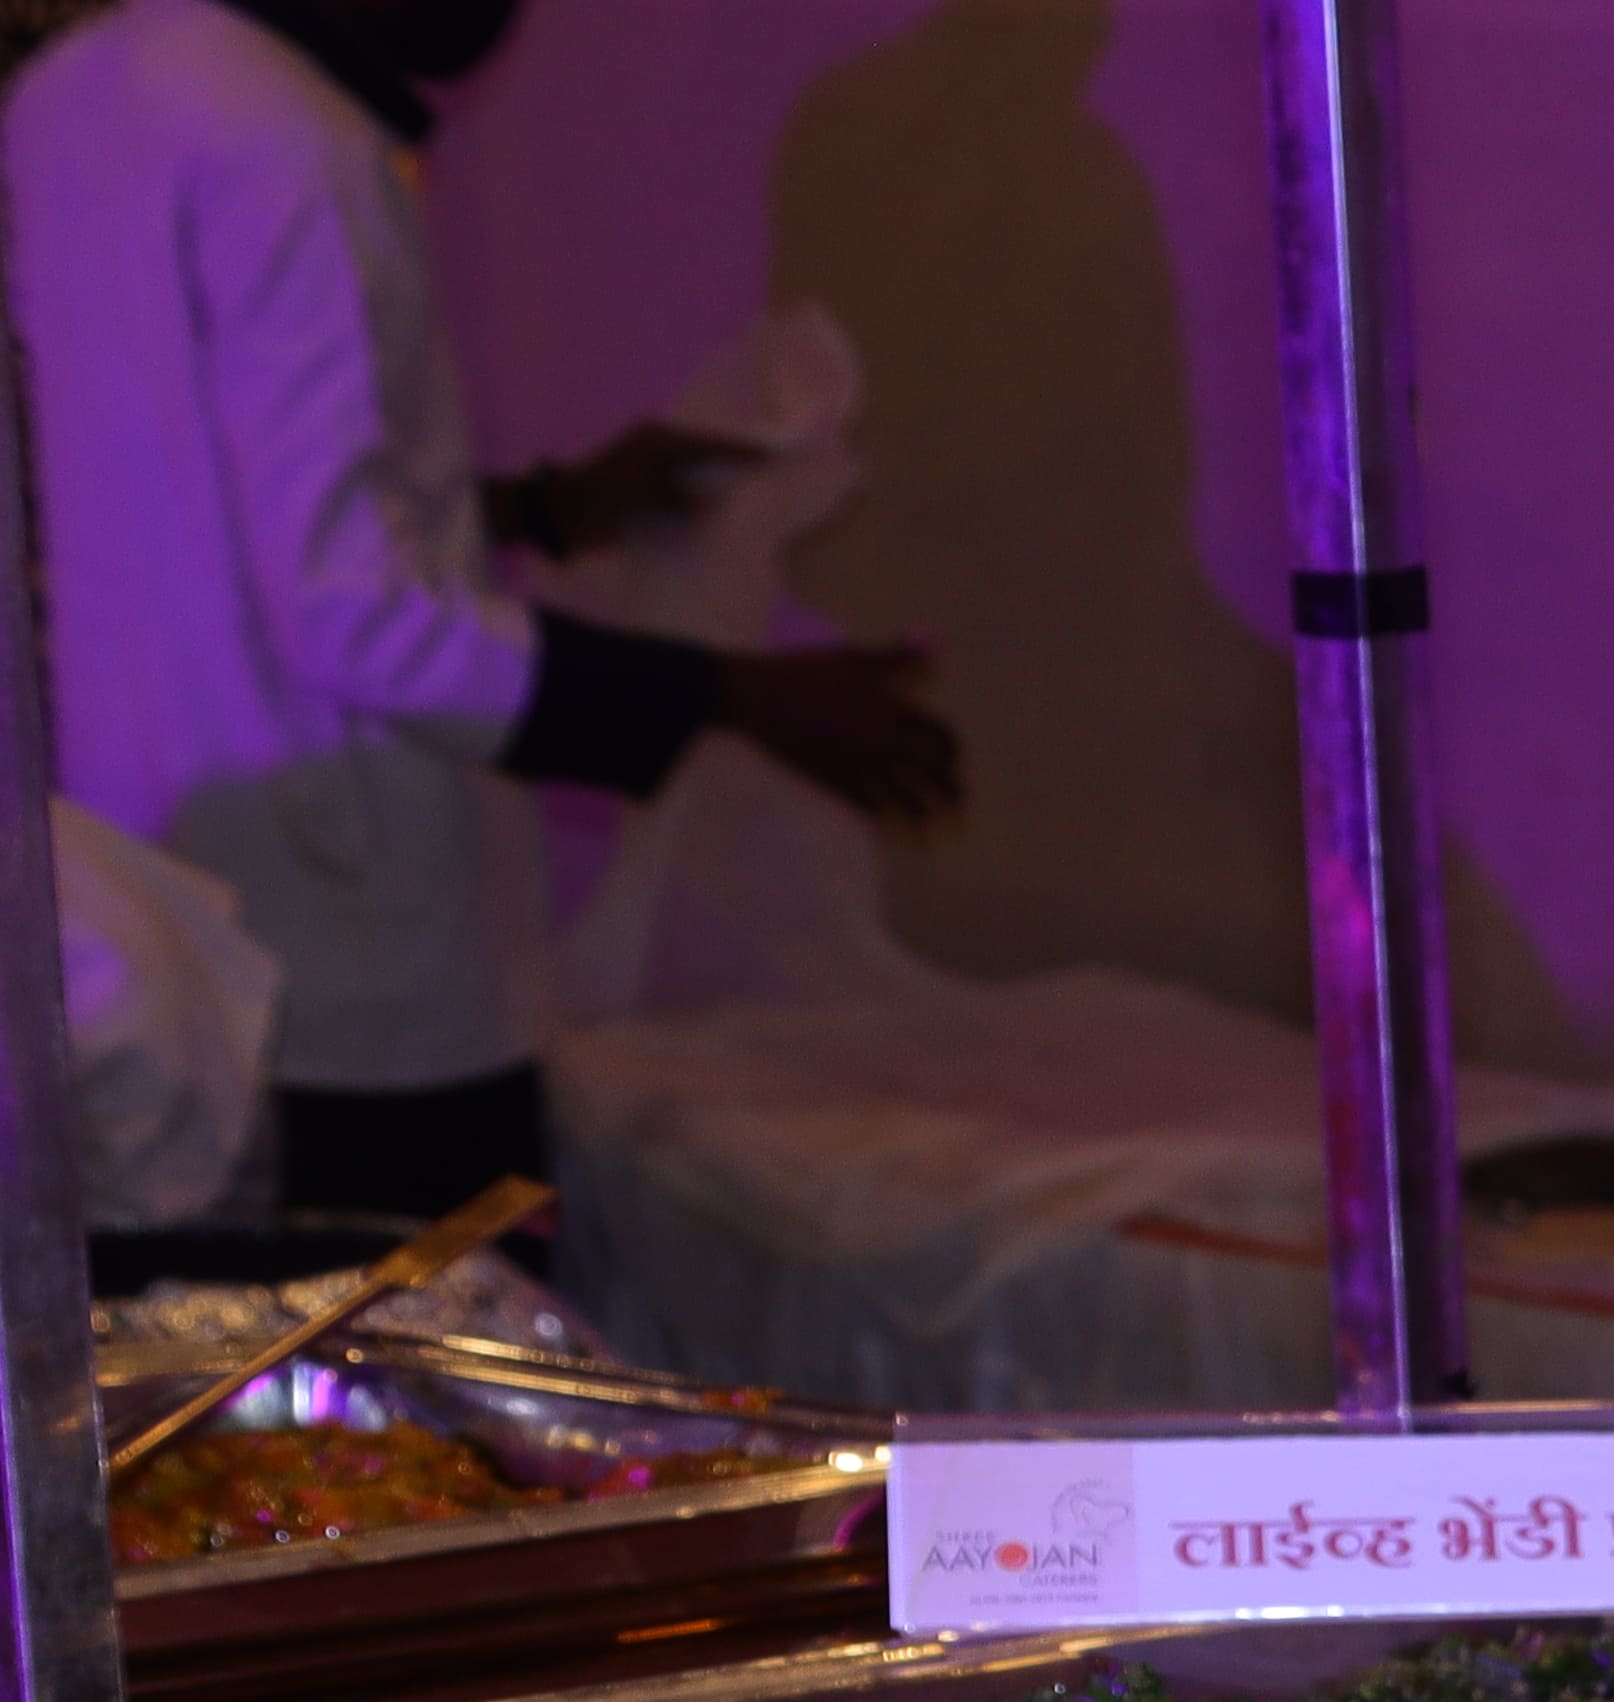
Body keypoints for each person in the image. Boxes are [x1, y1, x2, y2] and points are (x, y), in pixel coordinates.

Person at [6, 0, 963, 1223]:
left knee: (217, 1337)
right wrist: (732, 694)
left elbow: (183, 488)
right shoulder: (291, 140)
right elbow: (352, 616)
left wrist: (540, 508)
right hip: (355, 978)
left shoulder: (74, 91)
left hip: (153, 959)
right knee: (434, 1341)